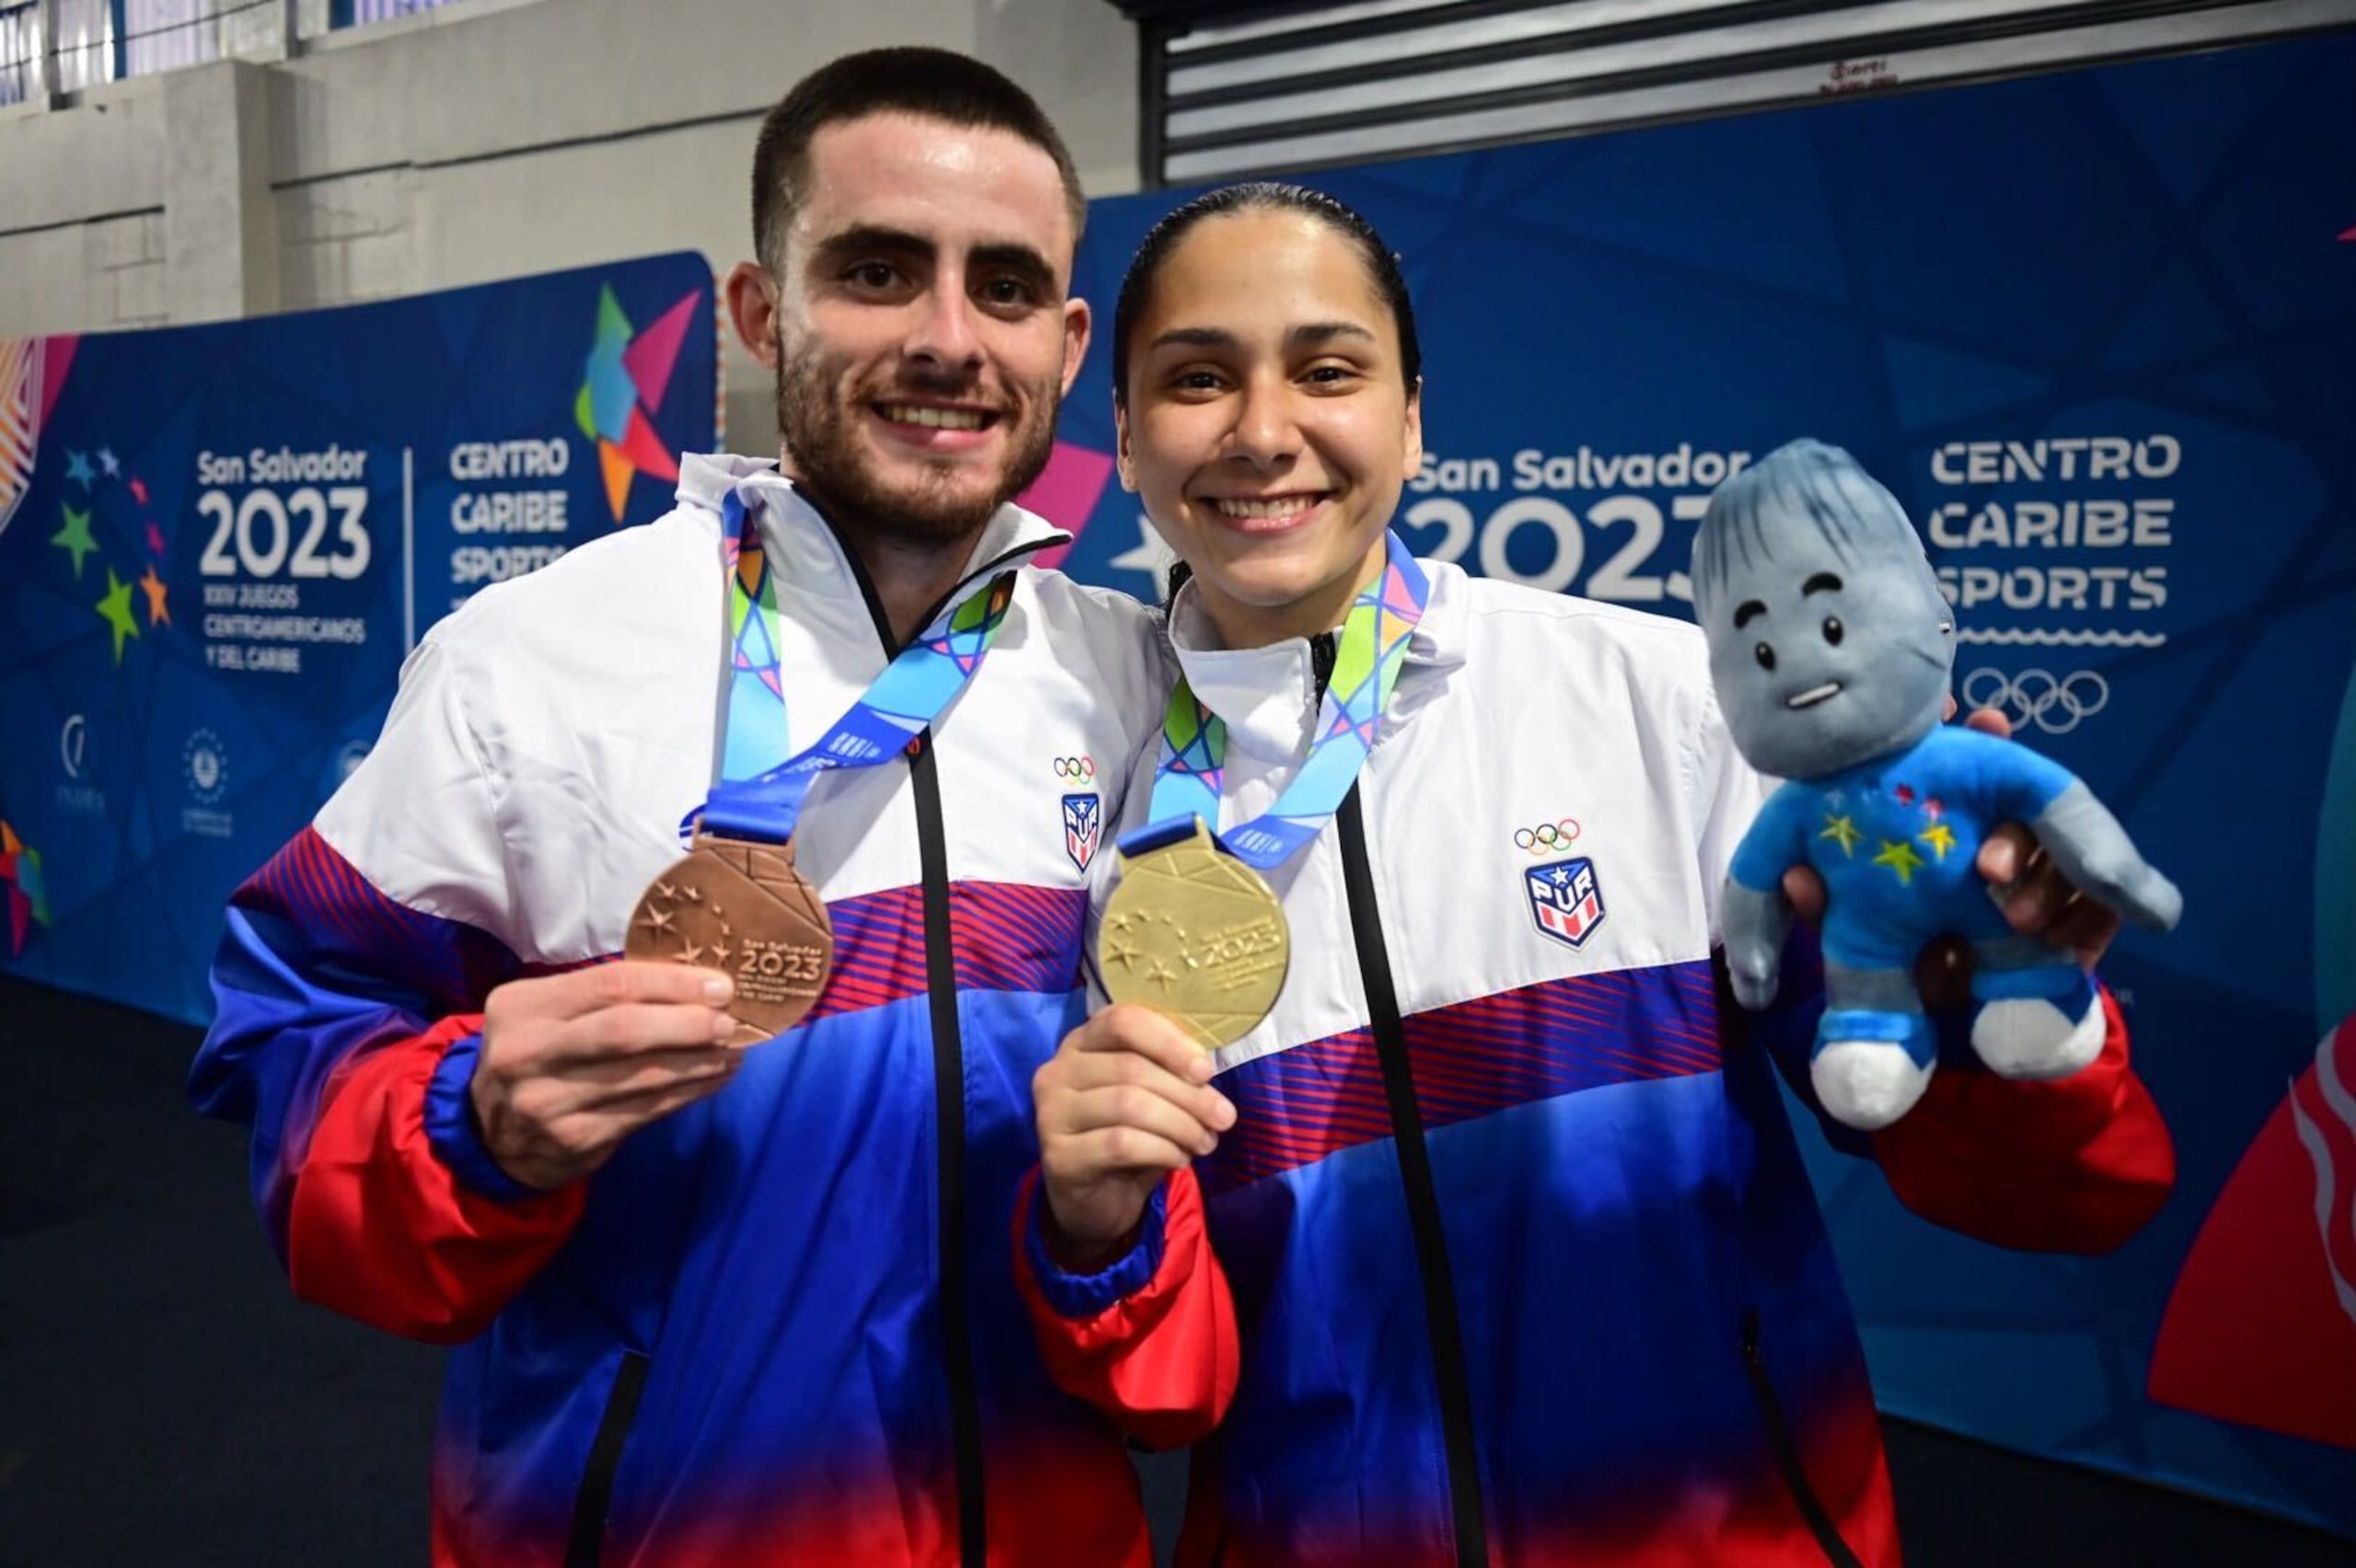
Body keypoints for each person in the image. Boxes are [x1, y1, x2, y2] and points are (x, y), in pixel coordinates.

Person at [1017, 183, 2177, 1567]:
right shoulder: (1102, 822)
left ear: (1411, 418)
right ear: (1131, 440)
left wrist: (2001, 1007)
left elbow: (2052, 1197)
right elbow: (1167, 1394)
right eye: (1200, 379)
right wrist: (1096, 1232)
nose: (1265, 431)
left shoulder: (1664, 705)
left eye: (1328, 370)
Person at [190, 49, 1170, 1568]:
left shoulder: (1124, 683)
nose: (947, 337)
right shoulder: (528, 658)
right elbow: (296, 1064)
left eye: (1006, 285)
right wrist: (471, 1125)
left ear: (1067, 337)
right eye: (879, 270)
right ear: (760, 313)